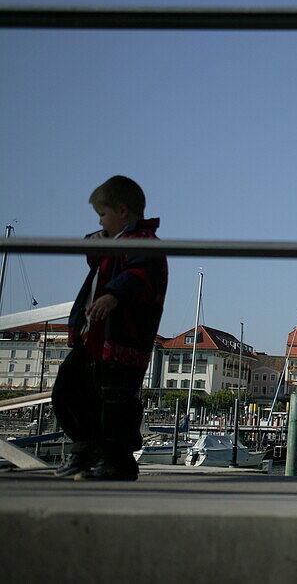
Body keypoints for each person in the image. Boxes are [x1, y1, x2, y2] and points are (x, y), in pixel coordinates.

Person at [52, 176, 168, 481]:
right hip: (95, 339)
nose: (100, 222)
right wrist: (100, 236)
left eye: (102, 215)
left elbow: (139, 275)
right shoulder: (115, 246)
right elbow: (96, 256)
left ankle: (116, 460)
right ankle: (88, 447)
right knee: (67, 391)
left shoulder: (142, 244)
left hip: (121, 340)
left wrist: (113, 294)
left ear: (121, 210)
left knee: (115, 400)